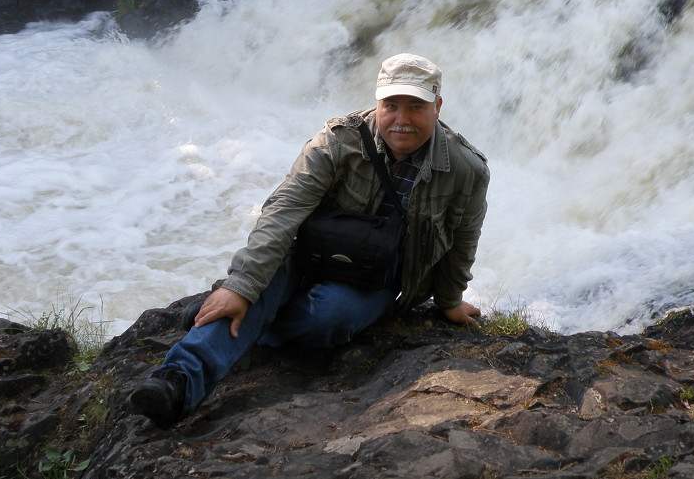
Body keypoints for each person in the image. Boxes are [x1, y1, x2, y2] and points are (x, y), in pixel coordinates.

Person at [129, 53, 490, 426]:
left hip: (377, 275)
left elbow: (464, 238)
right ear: (377, 102)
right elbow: (283, 210)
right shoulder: (337, 141)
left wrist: (449, 301)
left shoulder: (466, 170)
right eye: (391, 106)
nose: (401, 120)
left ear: (438, 106)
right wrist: (242, 285)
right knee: (251, 291)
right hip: (308, 254)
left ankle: (243, 318)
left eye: (416, 107)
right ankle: (176, 382)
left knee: (331, 318)